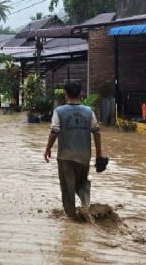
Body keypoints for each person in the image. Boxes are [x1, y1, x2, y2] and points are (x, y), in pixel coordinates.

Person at [43, 81, 104, 219]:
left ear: (65, 94)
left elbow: (54, 132)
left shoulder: (59, 111)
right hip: (84, 156)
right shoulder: (89, 111)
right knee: (82, 182)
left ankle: (71, 219)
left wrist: (48, 149)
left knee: (67, 189)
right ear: (80, 94)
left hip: (66, 157)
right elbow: (97, 132)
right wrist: (99, 155)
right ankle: (86, 206)